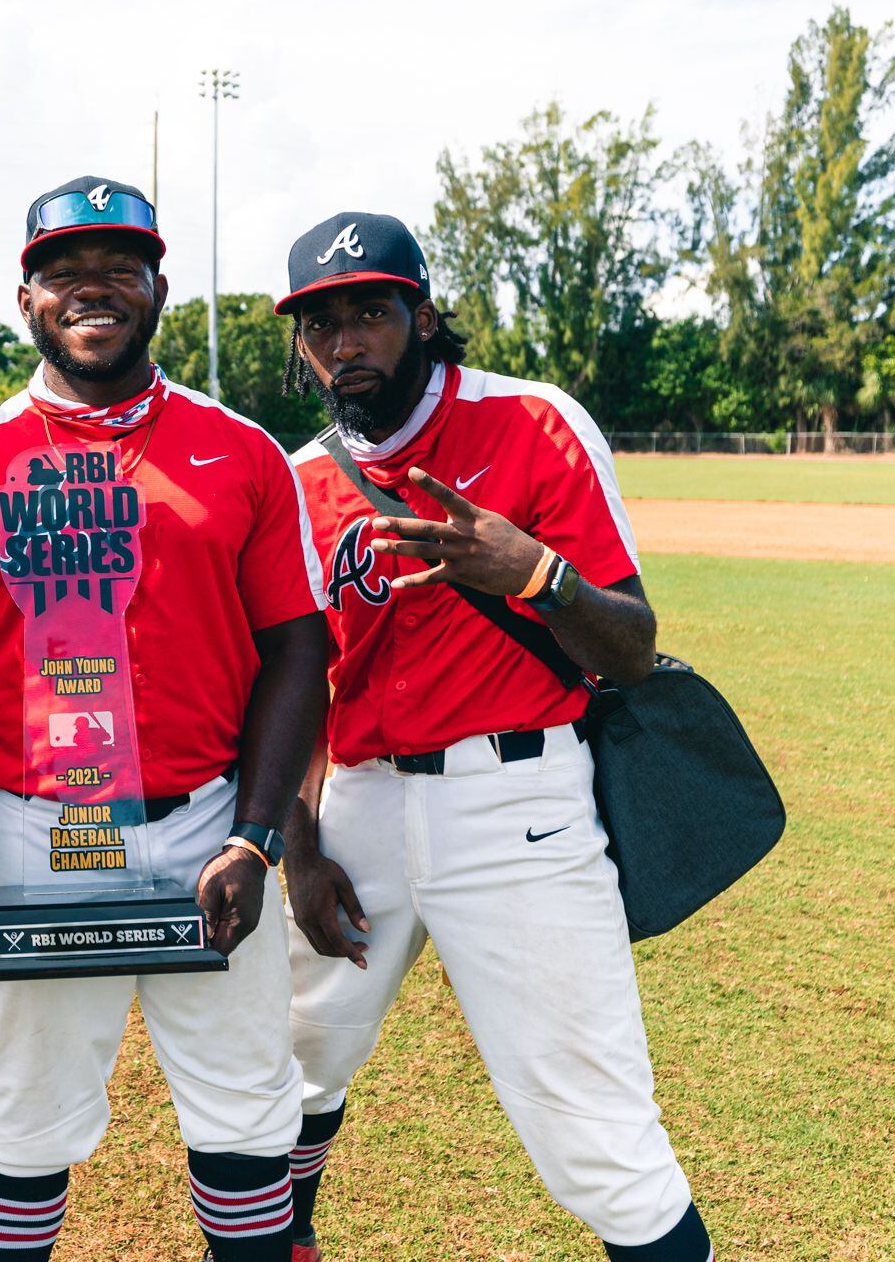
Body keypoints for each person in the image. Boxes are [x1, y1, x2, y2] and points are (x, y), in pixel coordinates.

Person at [0, 177, 330, 1262]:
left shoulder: (244, 453)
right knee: (22, 1118)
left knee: (244, 1111)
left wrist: (257, 834)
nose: (93, 288)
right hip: (38, 830)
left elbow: (296, 652)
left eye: (119, 267)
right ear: (25, 296)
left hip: (206, 825)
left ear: (159, 290)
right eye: (63, 269)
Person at [274, 211, 713, 1261]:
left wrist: (536, 572)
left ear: (422, 314)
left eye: (371, 312)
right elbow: (292, 687)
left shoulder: (532, 422)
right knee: (292, 1062)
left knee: (596, 1125)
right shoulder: (303, 480)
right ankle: (282, 1236)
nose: (347, 342)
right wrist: (298, 842)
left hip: (516, 801)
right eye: (321, 322)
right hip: (362, 805)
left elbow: (635, 648)